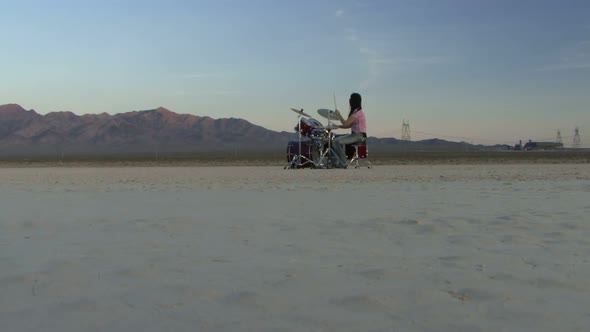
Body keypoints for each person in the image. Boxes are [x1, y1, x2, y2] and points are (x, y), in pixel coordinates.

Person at [331, 92, 367, 168]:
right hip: (356, 134)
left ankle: (343, 162)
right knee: (335, 139)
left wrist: (336, 125)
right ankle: (339, 161)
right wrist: (339, 116)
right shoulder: (356, 112)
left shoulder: (357, 114)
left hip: (359, 136)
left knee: (335, 141)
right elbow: (347, 124)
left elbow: (346, 124)